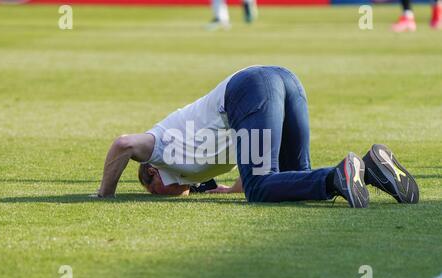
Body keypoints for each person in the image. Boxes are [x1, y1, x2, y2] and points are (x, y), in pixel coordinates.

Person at [96, 65, 419, 208]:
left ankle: (338, 176)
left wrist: (104, 195)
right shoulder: (196, 173)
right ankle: (372, 167)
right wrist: (229, 188)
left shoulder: (160, 149)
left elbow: (123, 144)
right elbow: (253, 160)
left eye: (152, 189)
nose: (164, 194)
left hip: (249, 89)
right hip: (286, 80)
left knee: (259, 190)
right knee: (292, 182)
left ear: (152, 172)